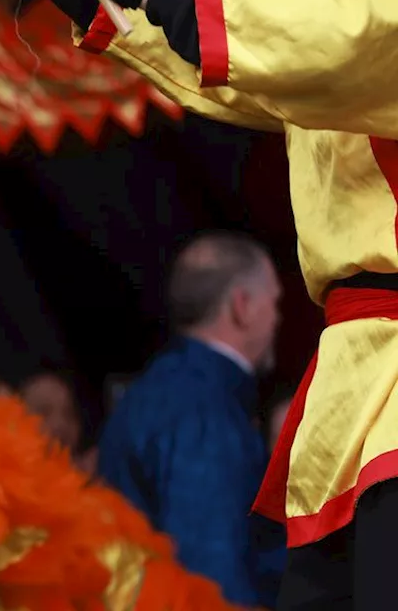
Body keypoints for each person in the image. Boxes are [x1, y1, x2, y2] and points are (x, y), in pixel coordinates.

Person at [45, 0, 398, 606]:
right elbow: (240, 63)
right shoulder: (318, 50)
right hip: (357, 404)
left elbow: (332, 37)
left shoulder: (363, 16)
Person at [95, 232, 282, 607]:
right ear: (242, 306)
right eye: (275, 303)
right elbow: (211, 577)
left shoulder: (153, 391)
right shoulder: (203, 411)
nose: (278, 318)